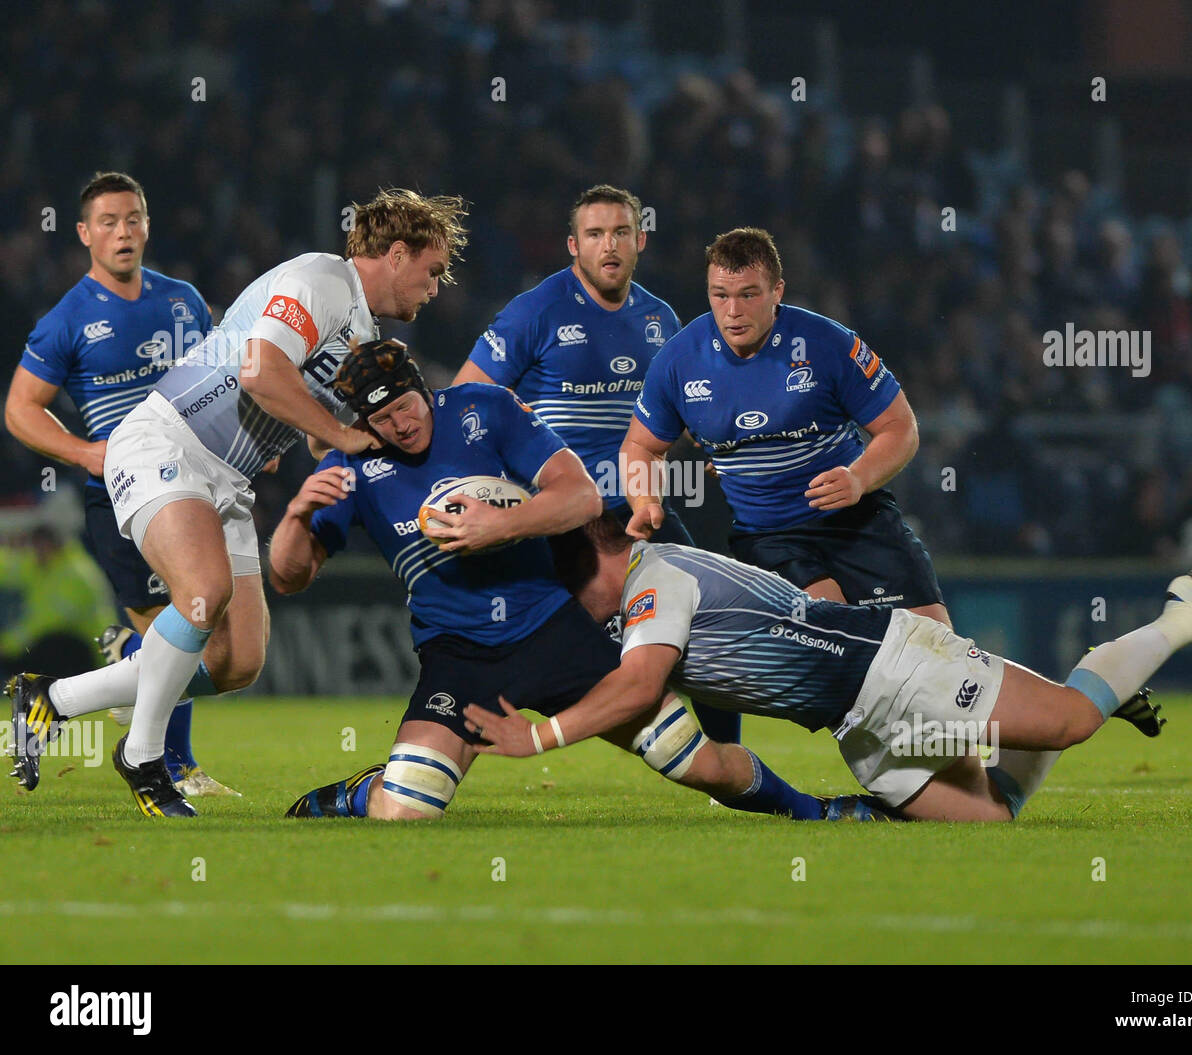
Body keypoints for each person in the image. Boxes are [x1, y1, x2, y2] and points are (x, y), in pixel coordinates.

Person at [273, 340, 879, 823]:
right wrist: (299, 516)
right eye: (382, 419)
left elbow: (582, 497)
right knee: (403, 810)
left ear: (423, 389)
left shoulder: (486, 409)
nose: (401, 425)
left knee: (687, 758)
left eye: (406, 406)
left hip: (553, 631)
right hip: (458, 657)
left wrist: (501, 525)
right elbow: (289, 576)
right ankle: (364, 790)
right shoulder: (349, 467)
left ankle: (815, 810)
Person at [7, 190, 468, 817]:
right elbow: (258, 370)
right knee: (202, 592)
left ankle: (51, 699)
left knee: (236, 661)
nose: (435, 288)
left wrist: (371, 417)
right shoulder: (321, 278)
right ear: (395, 254)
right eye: (433, 270)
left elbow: (303, 423)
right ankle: (143, 759)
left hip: (228, 477)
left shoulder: (360, 331)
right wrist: (340, 433)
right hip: (163, 442)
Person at [467, 515, 1192, 822]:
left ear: (613, 550)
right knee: (994, 820)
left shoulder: (656, 582)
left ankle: (1187, 612)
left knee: (1070, 718)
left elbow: (641, 687)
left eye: (581, 582)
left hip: (894, 666)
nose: (584, 601)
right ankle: (1116, 674)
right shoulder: (645, 585)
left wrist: (537, 740)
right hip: (856, 721)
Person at [452, 185, 741, 745]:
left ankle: (726, 765)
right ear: (572, 246)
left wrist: (710, 445)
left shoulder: (661, 318)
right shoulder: (534, 310)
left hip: (635, 507)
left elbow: (671, 419)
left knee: (707, 624)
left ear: (640, 240)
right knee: (515, 652)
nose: (608, 245)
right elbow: (467, 402)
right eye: (594, 234)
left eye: (620, 232)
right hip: (560, 514)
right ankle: (433, 755)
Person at [3, 171, 234, 795]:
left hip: (196, 485)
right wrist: (83, 452)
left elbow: (218, 383)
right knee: (182, 622)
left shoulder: (183, 299)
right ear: (84, 234)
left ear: (147, 224)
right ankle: (172, 766)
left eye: (133, 218)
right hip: (123, 498)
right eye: (107, 222)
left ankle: (91, 676)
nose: (123, 232)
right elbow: (20, 407)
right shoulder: (67, 319)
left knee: (223, 651)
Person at [622, 226, 949, 631]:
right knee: (839, 634)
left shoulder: (828, 343)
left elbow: (901, 428)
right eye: (720, 295)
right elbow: (641, 446)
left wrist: (858, 477)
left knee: (936, 642)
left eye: (748, 294)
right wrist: (644, 502)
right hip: (770, 538)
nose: (732, 311)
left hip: (858, 520)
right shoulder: (678, 360)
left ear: (777, 290)